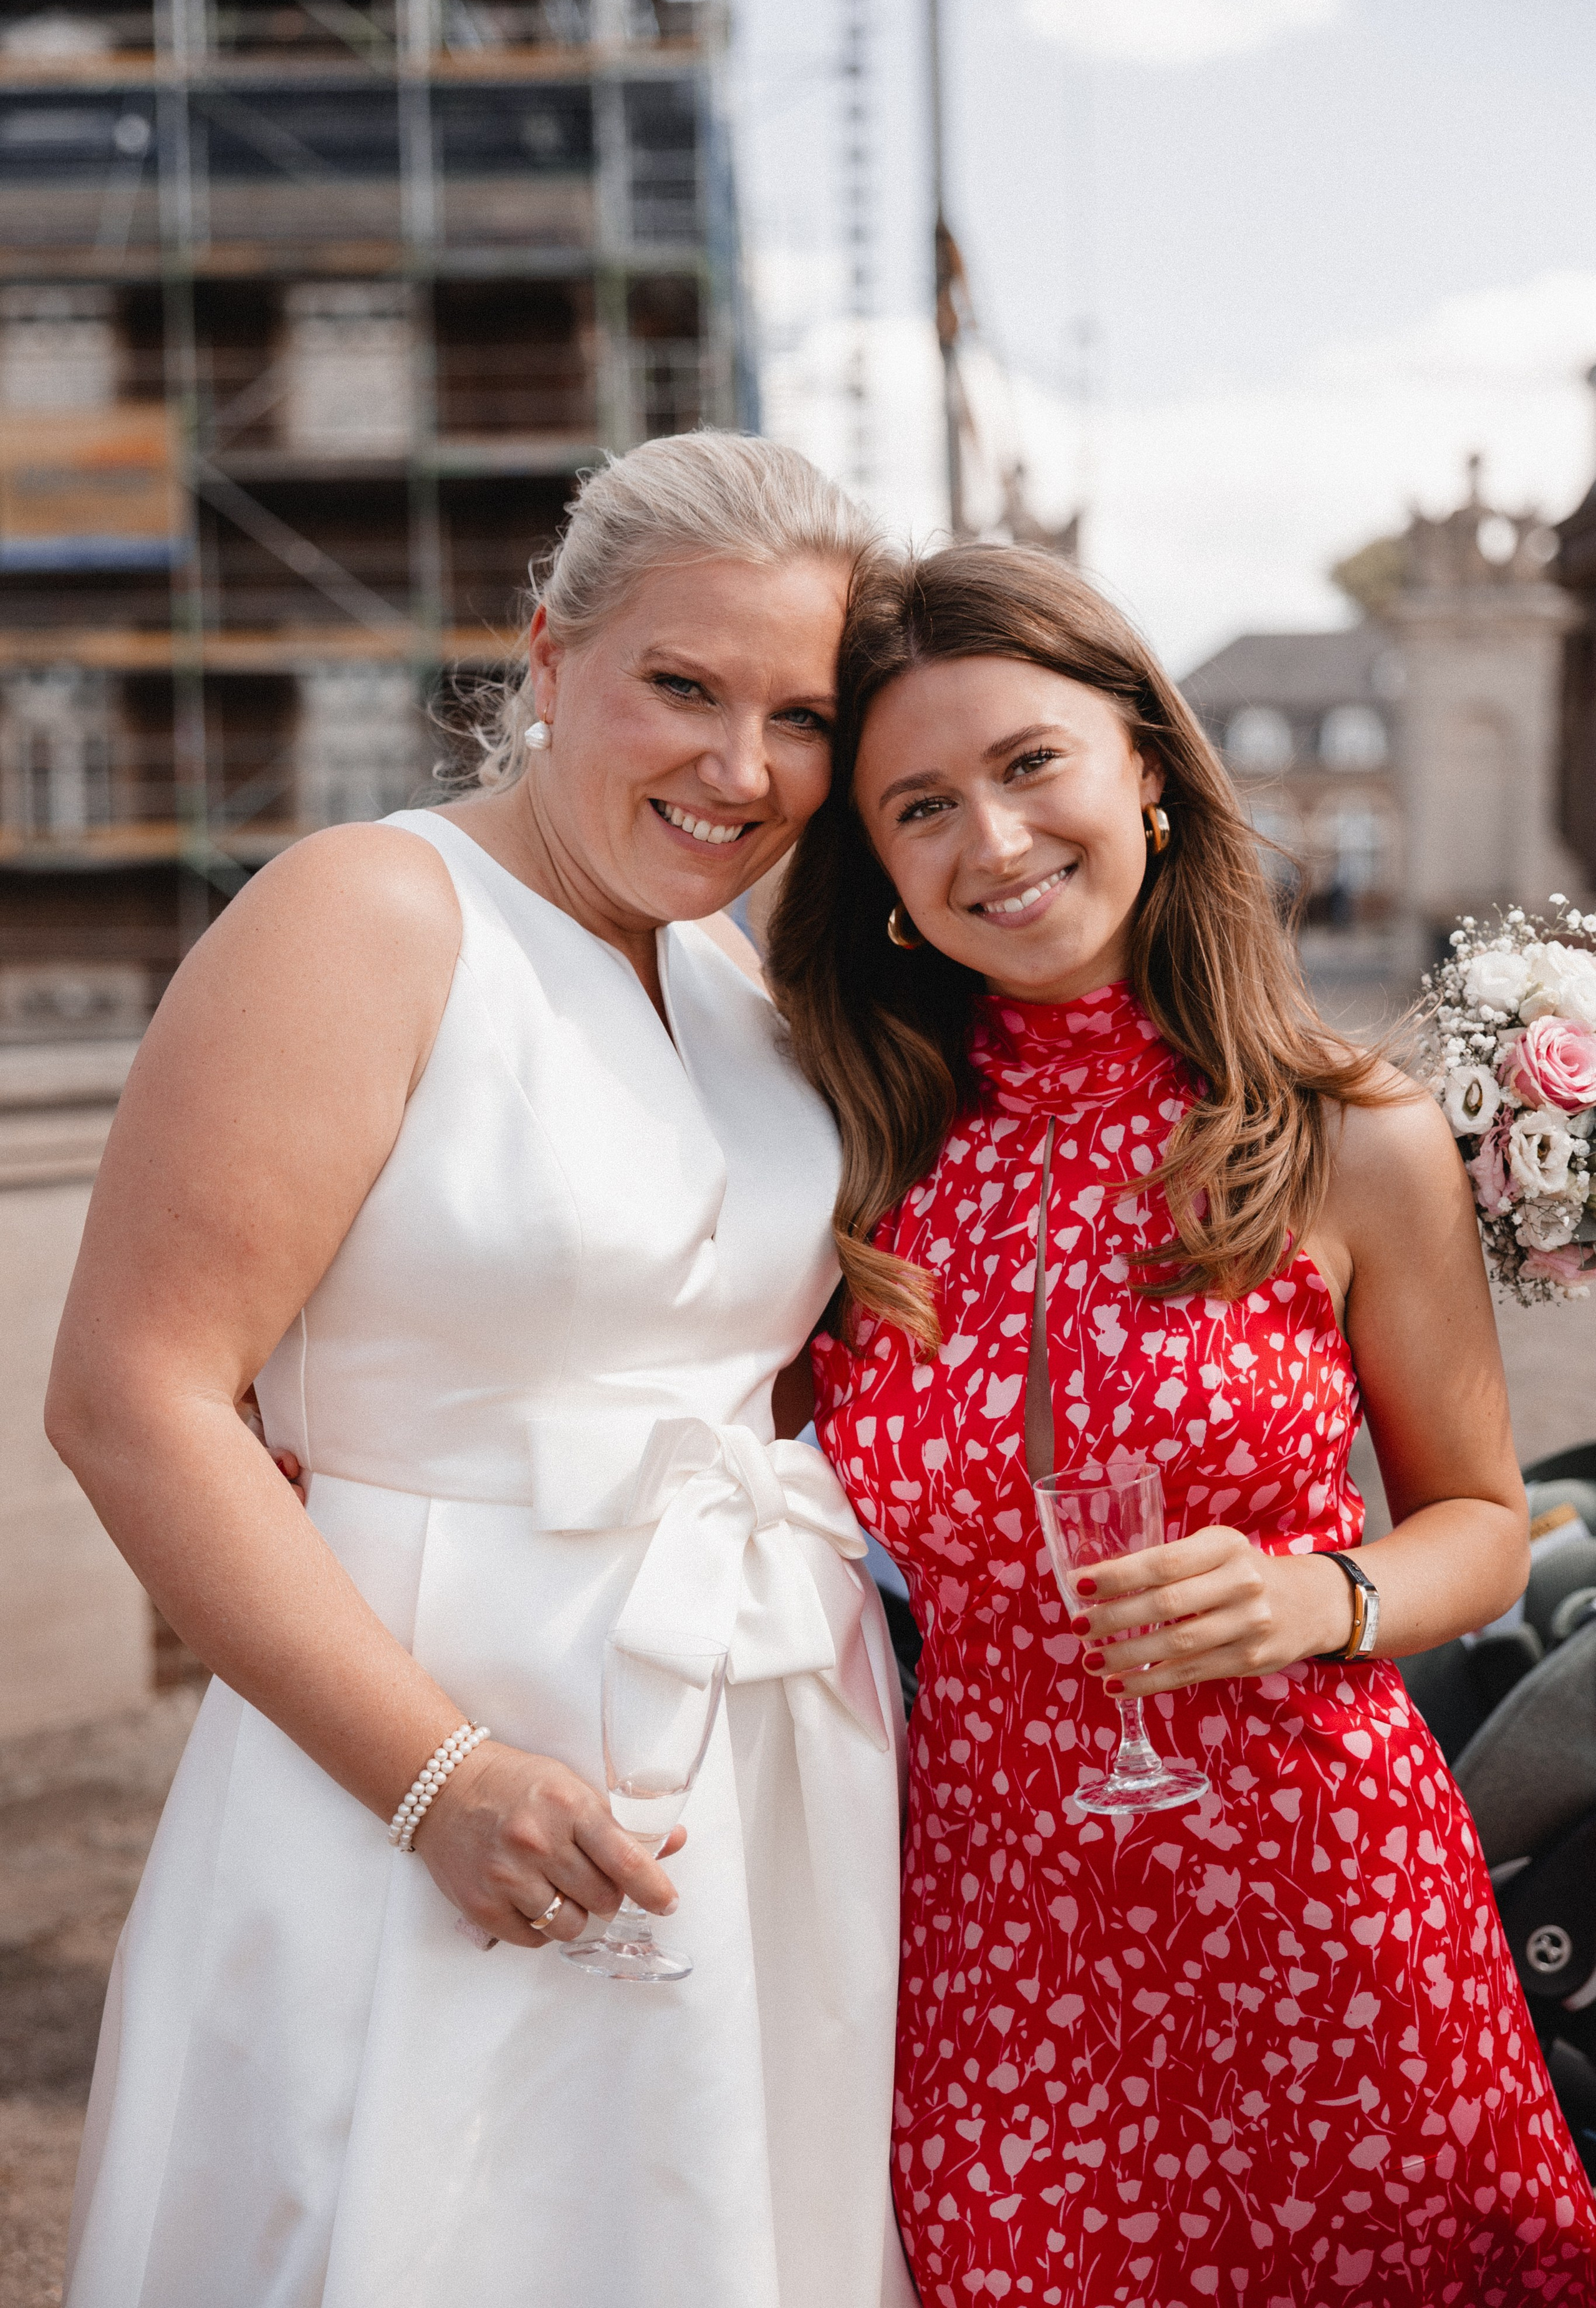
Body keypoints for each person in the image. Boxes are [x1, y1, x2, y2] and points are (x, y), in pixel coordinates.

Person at [46, 434, 916, 2308]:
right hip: (411, 1761)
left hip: (758, 1780)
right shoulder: (364, 914)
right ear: (546, 653)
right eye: (680, 686)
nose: (738, 769)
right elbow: (134, 1398)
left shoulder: (744, 982)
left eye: (801, 717)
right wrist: (438, 1778)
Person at [769, 542, 1596, 2307]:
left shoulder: (1346, 1135)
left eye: (1028, 764)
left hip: (1328, 1901)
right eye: (921, 806)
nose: (990, 840)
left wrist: (1329, 1599)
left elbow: (1481, 1515)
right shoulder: (848, 1161)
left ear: (1147, 762)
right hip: (999, 1937)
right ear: (884, 872)